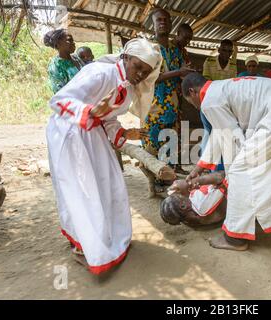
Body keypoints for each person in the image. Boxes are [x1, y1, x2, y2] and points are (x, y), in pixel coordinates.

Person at [46, 38, 162, 274]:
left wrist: (122, 132)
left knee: (109, 186)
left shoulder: (128, 87)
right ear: (126, 57)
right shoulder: (100, 73)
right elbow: (59, 101)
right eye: (137, 66)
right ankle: (83, 247)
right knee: (82, 190)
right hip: (70, 133)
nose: (140, 74)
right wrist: (90, 111)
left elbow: (108, 118)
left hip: (92, 133)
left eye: (145, 72)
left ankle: (104, 239)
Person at [181, 73, 271, 251]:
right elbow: (220, 133)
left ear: (192, 92)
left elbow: (232, 138)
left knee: (240, 171)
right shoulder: (223, 87)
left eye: (190, 102)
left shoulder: (209, 100)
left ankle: (235, 238)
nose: (195, 106)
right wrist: (199, 167)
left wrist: (232, 173)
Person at [143, 9, 195, 160]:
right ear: (153, 25)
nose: (163, 22)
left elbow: (181, 75)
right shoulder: (148, 48)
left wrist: (188, 74)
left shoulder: (175, 51)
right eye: (159, 20)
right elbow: (149, 78)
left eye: (166, 20)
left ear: (172, 24)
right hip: (153, 108)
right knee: (153, 147)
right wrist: (179, 72)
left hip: (173, 106)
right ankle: (154, 180)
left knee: (171, 147)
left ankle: (169, 177)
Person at [160, 171, 227, 227]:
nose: (179, 194)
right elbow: (222, 177)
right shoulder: (201, 204)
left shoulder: (192, 206)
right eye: (178, 196)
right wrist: (190, 182)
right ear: (183, 206)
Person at [44, 29, 84, 93]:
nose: (73, 43)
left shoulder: (76, 58)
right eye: (69, 40)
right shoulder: (55, 66)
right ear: (58, 44)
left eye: (73, 40)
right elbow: (59, 92)